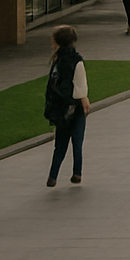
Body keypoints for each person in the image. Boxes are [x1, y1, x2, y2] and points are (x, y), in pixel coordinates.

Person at [44, 25, 91, 187]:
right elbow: (80, 82)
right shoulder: (76, 60)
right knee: (77, 141)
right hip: (75, 106)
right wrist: (84, 98)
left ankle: (53, 175)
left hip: (61, 107)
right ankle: (77, 173)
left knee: (60, 144)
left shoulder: (57, 60)